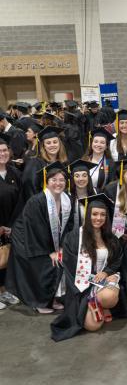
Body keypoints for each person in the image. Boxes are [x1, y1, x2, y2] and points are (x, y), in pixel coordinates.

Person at [50, 194, 123, 341]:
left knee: (109, 297)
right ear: (88, 215)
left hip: (104, 281)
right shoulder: (74, 237)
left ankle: (103, 304)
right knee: (93, 326)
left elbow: (117, 260)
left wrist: (107, 272)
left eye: (102, 215)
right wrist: (91, 282)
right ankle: (94, 304)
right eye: (94, 214)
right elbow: (71, 268)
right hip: (81, 285)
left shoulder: (110, 238)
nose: (98, 218)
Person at [5, 162, 73, 313]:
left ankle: (52, 298)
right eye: (54, 180)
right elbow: (36, 229)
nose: (58, 183)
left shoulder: (67, 199)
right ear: (46, 182)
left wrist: (62, 246)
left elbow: (68, 226)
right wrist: (50, 251)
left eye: (62, 180)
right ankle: (40, 302)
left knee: (63, 258)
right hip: (27, 240)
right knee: (46, 263)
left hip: (47, 240)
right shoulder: (37, 201)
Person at [0, 138, 23, 309]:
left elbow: (21, 201)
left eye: (5, 150)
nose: (3, 154)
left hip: (11, 225)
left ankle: (5, 290)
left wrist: (11, 225)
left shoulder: (15, 173)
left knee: (6, 260)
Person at [22, 126, 68, 200]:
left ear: (60, 144)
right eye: (48, 143)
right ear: (44, 146)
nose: (52, 145)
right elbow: (29, 186)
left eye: (55, 142)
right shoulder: (35, 163)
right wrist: (39, 204)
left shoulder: (64, 163)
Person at [68, 159, 98, 232]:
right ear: (73, 178)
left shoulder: (97, 193)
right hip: (73, 237)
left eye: (84, 175)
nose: (81, 179)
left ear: (88, 177)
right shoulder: (67, 196)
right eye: (77, 176)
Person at [83, 127, 116, 192]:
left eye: (102, 142)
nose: (98, 145)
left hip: (99, 199)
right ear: (91, 143)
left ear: (106, 146)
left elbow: (111, 186)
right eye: (96, 141)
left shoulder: (109, 164)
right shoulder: (84, 160)